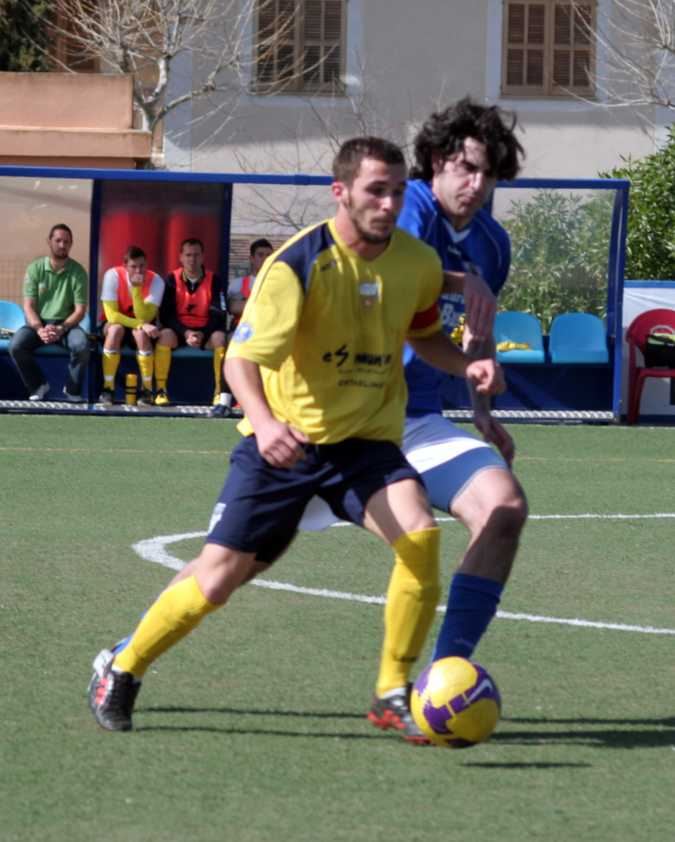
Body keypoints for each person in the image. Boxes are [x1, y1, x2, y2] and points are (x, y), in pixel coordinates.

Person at [87, 136, 504, 733]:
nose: (388, 204)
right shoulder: (297, 264)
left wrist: (467, 365)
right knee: (218, 579)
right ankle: (123, 666)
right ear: (340, 193)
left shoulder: (413, 261)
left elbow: (422, 332)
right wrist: (264, 424)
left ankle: (391, 693)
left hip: (364, 445)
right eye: (375, 191)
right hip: (286, 446)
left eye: (397, 191)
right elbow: (240, 361)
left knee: (420, 536)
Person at [362, 97, 531, 742]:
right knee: (228, 565)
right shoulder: (404, 208)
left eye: (489, 173)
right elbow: (389, 274)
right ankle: (125, 659)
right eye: (466, 168)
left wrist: (483, 414)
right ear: (436, 162)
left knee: (504, 509)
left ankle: (440, 679)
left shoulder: (492, 243)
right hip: (335, 421)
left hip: (416, 421)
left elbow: (475, 337)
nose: (477, 185)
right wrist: (462, 282)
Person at [9, 224, 90, 402]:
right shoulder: (34, 269)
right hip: (39, 323)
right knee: (16, 345)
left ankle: (72, 390)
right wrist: (40, 329)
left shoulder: (79, 272)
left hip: (67, 325)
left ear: (71, 244)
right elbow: (28, 306)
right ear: (49, 241)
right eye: (58, 240)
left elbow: (80, 311)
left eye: (66, 242)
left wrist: (62, 328)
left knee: (82, 346)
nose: (62, 245)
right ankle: (38, 384)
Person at [153, 237, 231, 415]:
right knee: (164, 335)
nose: (192, 259)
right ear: (181, 257)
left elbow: (219, 315)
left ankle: (219, 393)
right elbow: (165, 315)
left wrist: (202, 333)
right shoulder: (171, 280)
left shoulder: (215, 281)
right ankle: (161, 390)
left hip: (205, 332)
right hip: (180, 332)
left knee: (221, 338)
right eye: (188, 255)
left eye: (196, 255)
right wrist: (186, 332)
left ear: (203, 257)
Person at [98, 245, 165, 407]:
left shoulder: (156, 281)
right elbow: (112, 316)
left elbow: (146, 316)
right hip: (118, 325)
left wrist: (136, 290)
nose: (138, 271)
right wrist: (141, 324)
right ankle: (108, 388)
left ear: (147, 264)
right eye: (133, 266)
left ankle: (147, 390)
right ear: (125, 266)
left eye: (142, 266)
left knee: (141, 334)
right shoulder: (112, 276)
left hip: (141, 327)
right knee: (115, 329)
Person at [227, 238, 274, 328]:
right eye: (260, 255)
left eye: (269, 255)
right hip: (243, 331)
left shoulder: (279, 284)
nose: (265, 259)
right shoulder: (238, 283)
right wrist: (271, 306)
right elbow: (233, 308)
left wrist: (245, 303)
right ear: (251, 259)